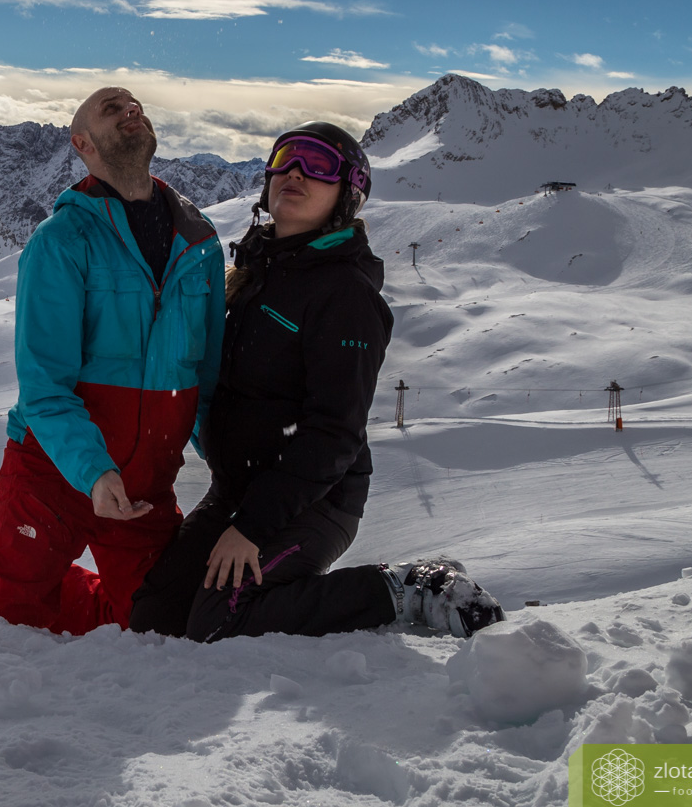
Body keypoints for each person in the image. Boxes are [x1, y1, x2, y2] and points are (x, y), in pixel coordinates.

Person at [129, 122, 505, 642]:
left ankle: (407, 589)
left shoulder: (345, 295)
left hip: (316, 500)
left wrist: (252, 529)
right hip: (236, 491)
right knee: (155, 615)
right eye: (286, 157)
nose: (296, 172)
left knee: (221, 619)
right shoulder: (254, 272)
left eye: (320, 165)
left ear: (346, 196)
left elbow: (335, 433)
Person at [0, 86, 224, 634]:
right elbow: (45, 387)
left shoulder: (200, 244)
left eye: (135, 105)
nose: (130, 110)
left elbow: (207, 378)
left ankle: (47, 578)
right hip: (52, 469)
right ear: (82, 143)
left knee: (148, 621)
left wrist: (228, 461)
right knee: (4, 610)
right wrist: (95, 473)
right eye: (110, 108)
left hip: (144, 483)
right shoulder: (61, 241)